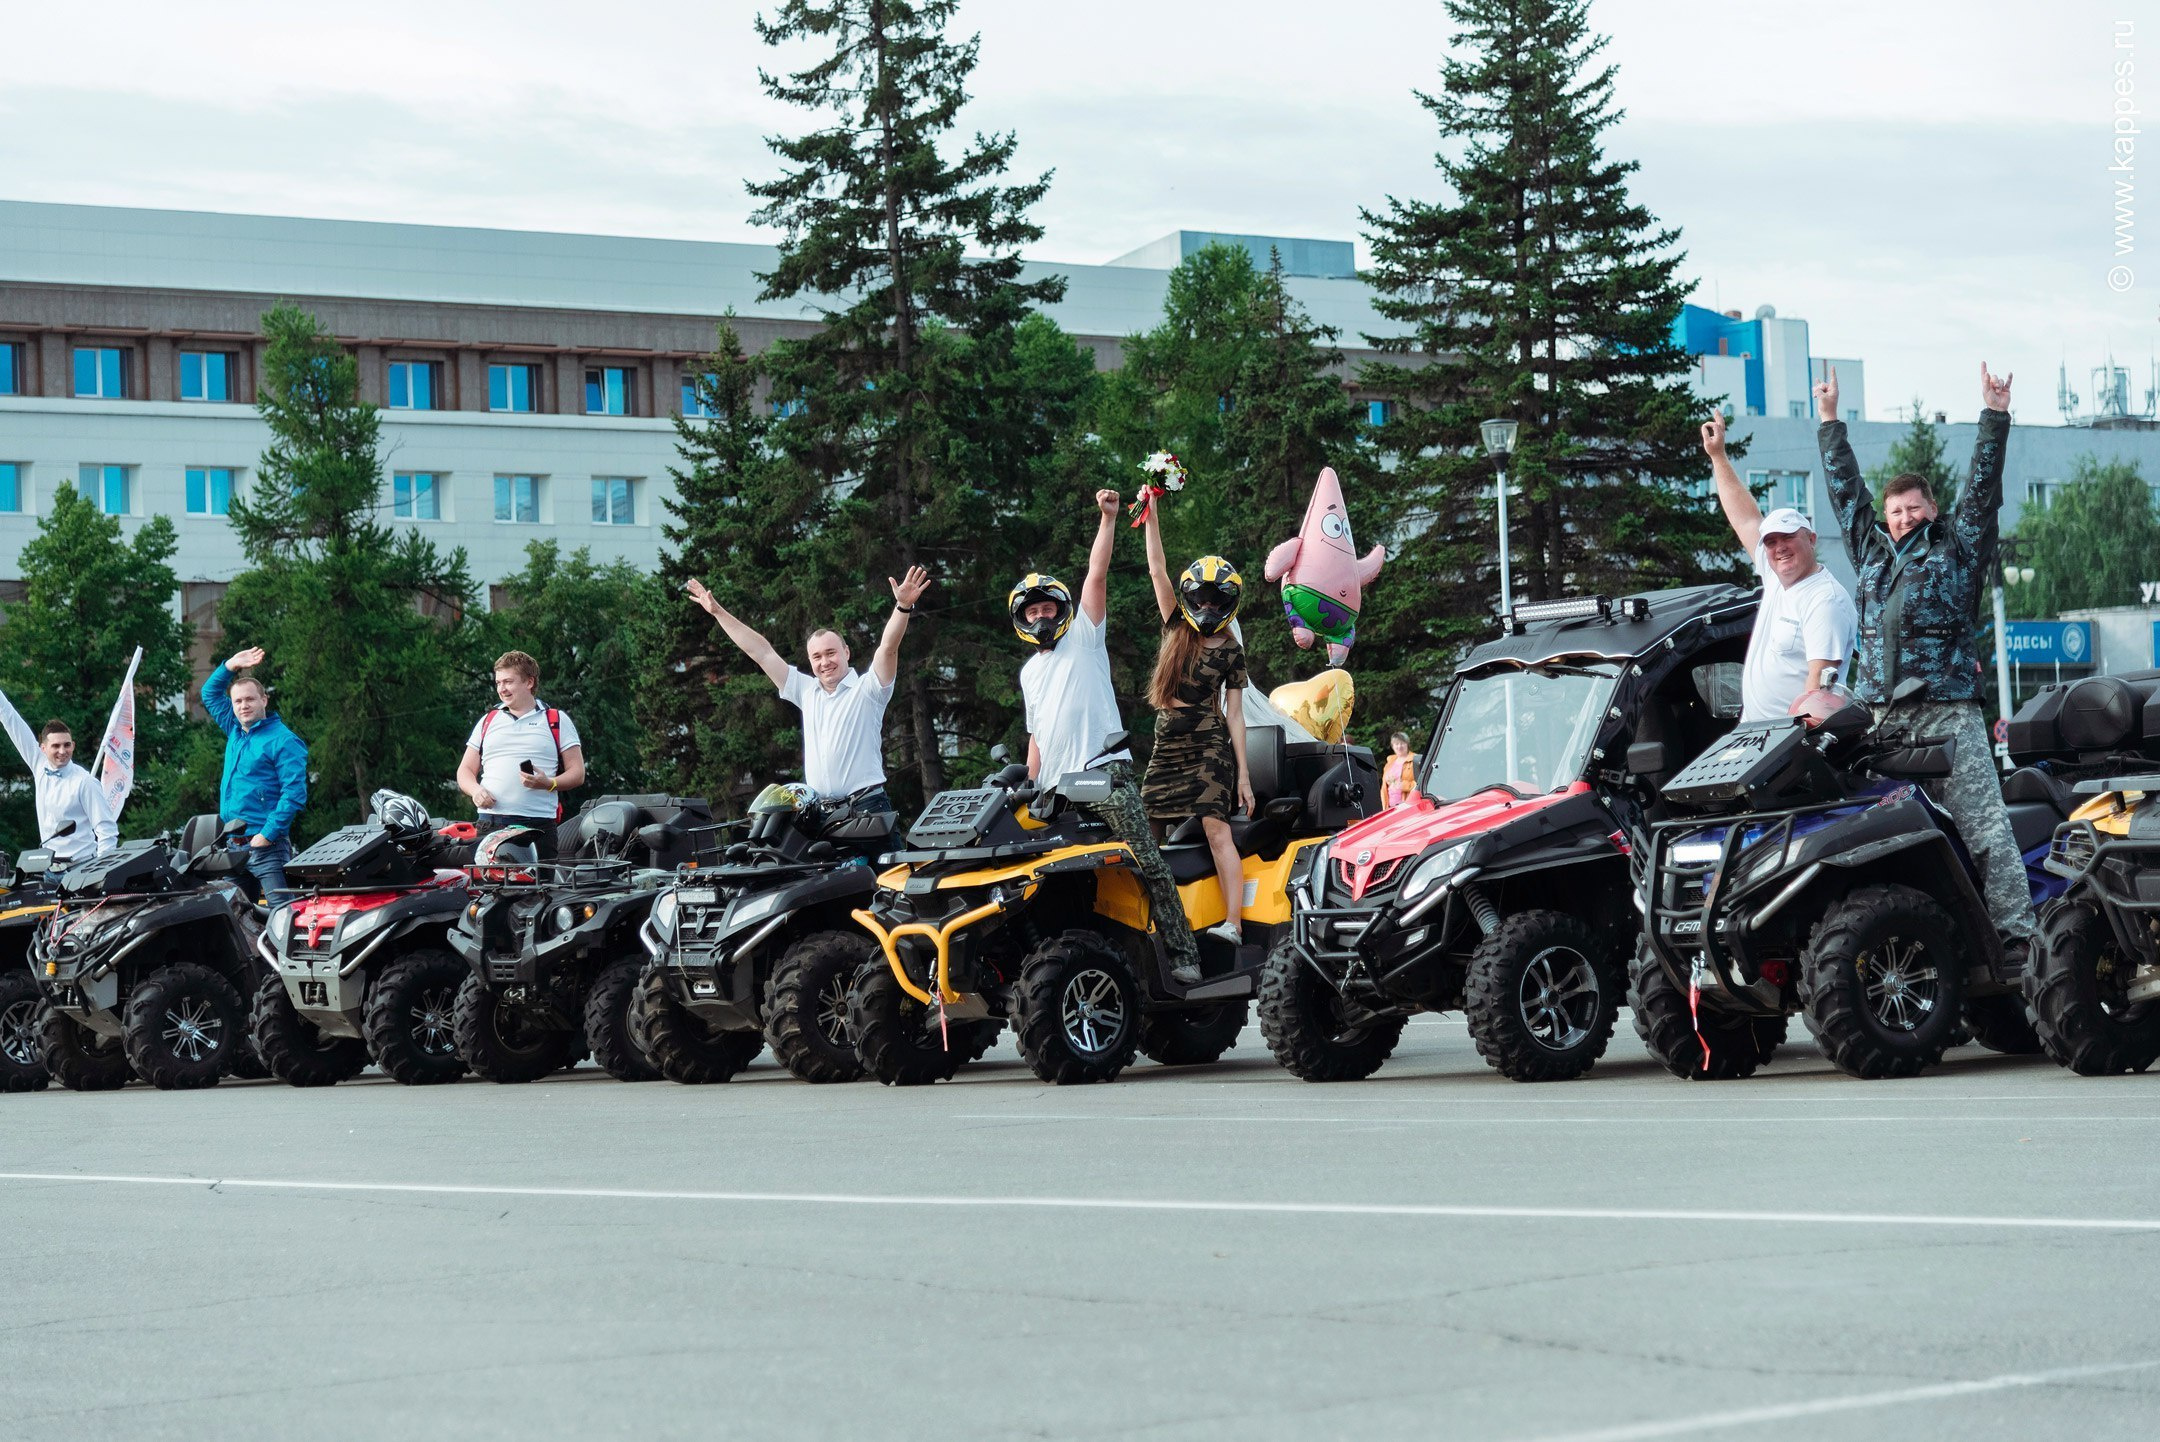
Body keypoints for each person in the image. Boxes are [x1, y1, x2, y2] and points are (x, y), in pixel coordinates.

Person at [1815, 361, 2033, 953]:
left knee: (1984, 830)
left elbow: (1982, 491)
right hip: (1879, 721)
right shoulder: (1871, 555)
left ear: (1931, 511)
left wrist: (1994, 415)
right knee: (1882, 838)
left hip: (1946, 715)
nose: (1903, 517)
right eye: (1895, 511)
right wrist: (1831, 421)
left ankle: (2019, 942)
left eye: (1913, 508)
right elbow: (1845, 492)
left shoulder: (1956, 552)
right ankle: (1911, 943)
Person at [1012, 489, 1204, 984]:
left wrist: (1108, 519)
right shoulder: (1029, 674)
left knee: (1147, 862)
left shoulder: (1085, 634)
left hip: (1103, 774)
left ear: (1062, 609)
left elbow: (1096, 574)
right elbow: (1036, 737)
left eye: (1046, 609)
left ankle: (1185, 955)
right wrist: (1028, 786)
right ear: (1021, 620)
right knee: (1045, 879)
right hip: (1053, 791)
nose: (1040, 617)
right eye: (1030, 612)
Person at [685, 565, 930, 823]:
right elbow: (761, 652)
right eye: (817, 656)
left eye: (831, 653)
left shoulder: (868, 688)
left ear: (846, 652)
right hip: (823, 814)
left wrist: (902, 607)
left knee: (883, 867)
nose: (825, 662)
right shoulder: (806, 691)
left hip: (868, 807)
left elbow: (888, 647)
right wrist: (717, 612)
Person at [1139, 502, 1253, 952]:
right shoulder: (1175, 629)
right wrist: (1151, 515)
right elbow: (1156, 569)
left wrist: (1242, 775)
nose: (1206, 605)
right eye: (1200, 597)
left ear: (1227, 603)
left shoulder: (1231, 650)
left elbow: (1237, 714)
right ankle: (1148, 919)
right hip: (1168, 742)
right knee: (1145, 830)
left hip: (1209, 743)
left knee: (1215, 829)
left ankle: (1233, 923)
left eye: (1215, 599)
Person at [1701, 410, 1859, 723]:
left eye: (1787, 537)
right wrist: (1718, 457)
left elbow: (1819, 685)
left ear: (1811, 538)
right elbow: (1745, 518)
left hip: (1789, 742)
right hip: (1760, 736)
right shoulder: (1777, 580)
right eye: (1771, 542)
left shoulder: (1824, 599)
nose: (1778, 548)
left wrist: (1792, 745)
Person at [456, 650, 585, 860]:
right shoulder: (488, 720)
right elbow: (465, 771)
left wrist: (548, 783)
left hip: (537, 824)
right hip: (491, 822)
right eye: (498, 683)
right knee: (491, 891)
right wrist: (475, 791)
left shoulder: (556, 720)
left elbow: (577, 773)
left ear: (529, 682)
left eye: (508, 682)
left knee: (539, 891)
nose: (501, 689)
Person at [202, 647, 309, 898]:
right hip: (233, 846)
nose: (243, 706)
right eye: (238, 701)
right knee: (234, 920)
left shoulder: (284, 741)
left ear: (264, 700)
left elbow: (294, 793)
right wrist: (229, 665)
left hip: (267, 846)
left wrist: (267, 834)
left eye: (250, 699)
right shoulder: (235, 729)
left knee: (283, 918)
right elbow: (209, 693)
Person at [0, 699, 116, 866]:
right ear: (43, 749)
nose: (62, 751)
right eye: (56, 746)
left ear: (73, 746)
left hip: (81, 867)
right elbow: (11, 719)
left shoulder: (85, 782)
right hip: (49, 867)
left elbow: (107, 830)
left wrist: (102, 872)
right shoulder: (39, 765)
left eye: (67, 745)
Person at [1381, 733, 1420, 808]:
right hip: (1389, 806)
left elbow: (1421, 783)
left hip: (1408, 806)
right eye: (1396, 744)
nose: (1399, 746)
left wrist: (1403, 785)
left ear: (1407, 744)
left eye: (1402, 743)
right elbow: (1384, 788)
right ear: (1392, 746)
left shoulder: (1416, 760)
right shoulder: (1389, 762)